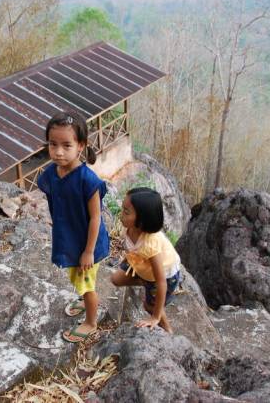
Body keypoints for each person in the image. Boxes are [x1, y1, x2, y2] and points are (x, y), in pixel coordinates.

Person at [37, 111, 110, 343]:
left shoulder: (87, 180)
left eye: (66, 145)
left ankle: (91, 322)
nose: (58, 152)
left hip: (86, 242)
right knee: (78, 278)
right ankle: (85, 301)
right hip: (69, 237)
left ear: (81, 146)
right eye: (53, 144)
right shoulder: (51, 173)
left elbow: (95, 218)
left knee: (86, 284)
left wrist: (88, 251)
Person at [110, 187, 181, 333]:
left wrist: (154, 316)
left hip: (164, 275)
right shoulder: (130, 227)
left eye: (126, 212)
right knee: (116, 279)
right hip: (139, 262)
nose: (121, 215)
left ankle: (167, 329)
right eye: (123, 209)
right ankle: (145, 282)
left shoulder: (150, 245)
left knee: (149, 306)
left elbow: (161, 282)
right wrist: (127, 260)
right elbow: (132, 248)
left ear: (141, 221)